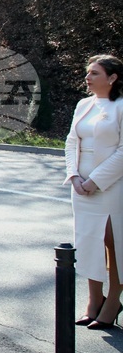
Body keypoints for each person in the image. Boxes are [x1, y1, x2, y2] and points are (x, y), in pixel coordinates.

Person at [65, 54, 123, 329]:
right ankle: (93, 301)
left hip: (112, 186)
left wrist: (96, 180)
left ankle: (113, 302)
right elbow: (70, 143)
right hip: (81, 186)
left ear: (112, 78)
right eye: (88, 73)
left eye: (94, 73)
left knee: (116, 244)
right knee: (88, 242)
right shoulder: (83, 105)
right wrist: (74, 175)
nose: (87, 77)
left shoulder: (121, 106)